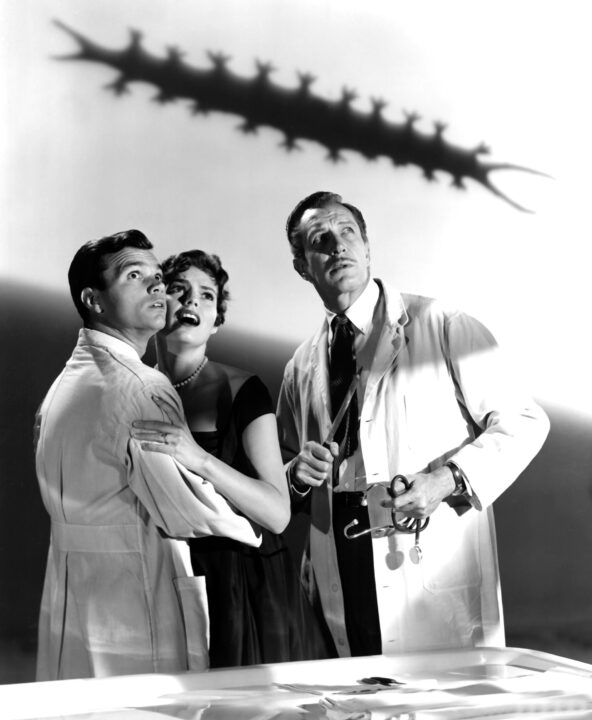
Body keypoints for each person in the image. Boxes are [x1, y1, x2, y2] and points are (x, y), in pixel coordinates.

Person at [276, 191, 550, 658]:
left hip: (428, 556)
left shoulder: (441, 324)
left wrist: (447, 480)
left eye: (347, 233)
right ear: (303, 266)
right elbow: (281, 472)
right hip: (341, 566)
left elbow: (524, 421)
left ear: (367, 247)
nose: (337, 246)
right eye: (320, 240)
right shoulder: (300, 366)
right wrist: (296, 477)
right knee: (356, 699)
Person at [34, 230, 261, 681]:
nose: (157, 287)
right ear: (93, 300)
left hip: (69, 601)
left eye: (157, 277)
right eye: (134, 276)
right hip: (132, 605)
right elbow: (188, 509)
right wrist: (254, 522)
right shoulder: (142, 386)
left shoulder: (60, 387)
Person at [130, 249, 330, 667]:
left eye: (206, 296)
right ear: (155, 303)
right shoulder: (131, 386)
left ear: (217, 320)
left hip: (244, 584)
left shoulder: (243, 391)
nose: (191, 302)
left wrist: (198, 458)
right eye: (178, 290)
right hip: (164, 575)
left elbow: (277, 513)